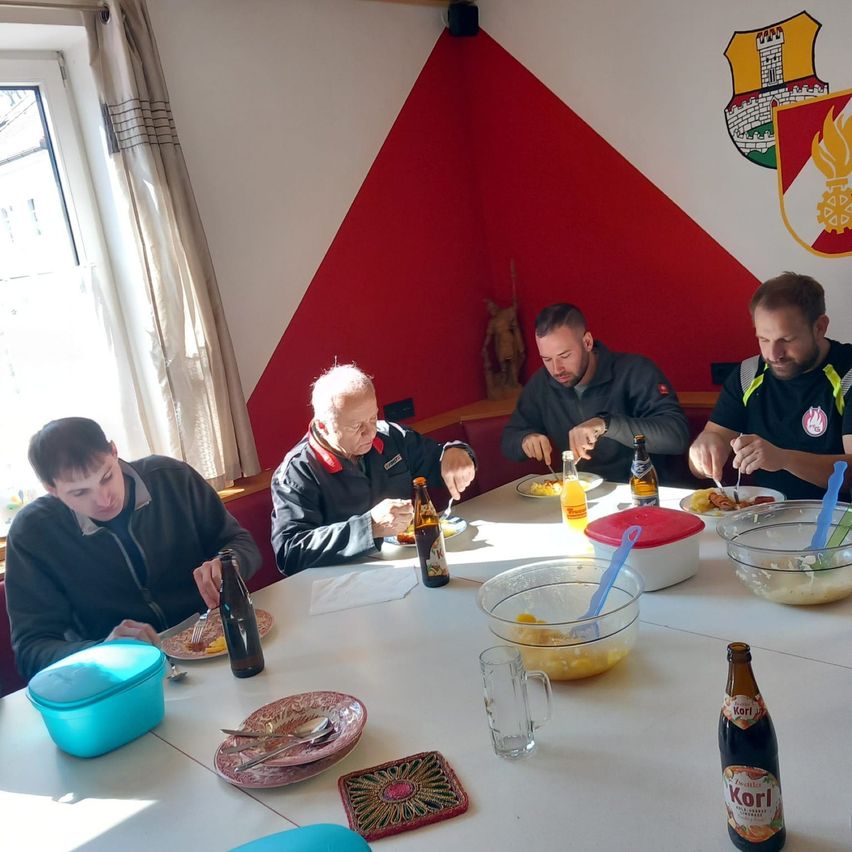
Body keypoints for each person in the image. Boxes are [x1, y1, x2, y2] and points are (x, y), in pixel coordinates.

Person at [4, 417, 261, 680]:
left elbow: (241, 544)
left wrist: (228, 566)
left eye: (106, 476)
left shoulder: (172, 478)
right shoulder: (32, 534)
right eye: (80, 493)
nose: (104, 499)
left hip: (218, 646)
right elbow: (31, 650)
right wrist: (103, 651)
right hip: (123, 679)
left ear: (114, 452)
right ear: (52, 490)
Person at [271, 364, 477, 575]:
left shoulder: (390, 437)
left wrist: (457, 452)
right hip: (344, 584)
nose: (370, 433)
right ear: (323, 426)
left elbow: (439, 460)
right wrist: (369, 526)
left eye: (372, 418)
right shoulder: (296, 472)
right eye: (356, 426)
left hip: (407, 567)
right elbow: (290, 553)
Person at [689, 272, 852, 499]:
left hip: (838, 521)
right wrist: (703, 449)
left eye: (786, 340)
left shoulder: (848, 375)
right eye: (763, 339)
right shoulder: (748, 374)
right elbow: (706, 449)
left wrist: (784, 459)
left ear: (820, 327)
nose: (773, 355)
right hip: (765, 519)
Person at [501, 303, 689, 482]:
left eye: (565, 356)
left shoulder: (635, 371)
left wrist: (606, 424)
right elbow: (508, 441)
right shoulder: (541, 384)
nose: (557, 369)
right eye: (546, 359)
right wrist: (525, 440)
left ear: (587, 342)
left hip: (644, 493)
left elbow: (676, 436)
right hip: (580, 497)